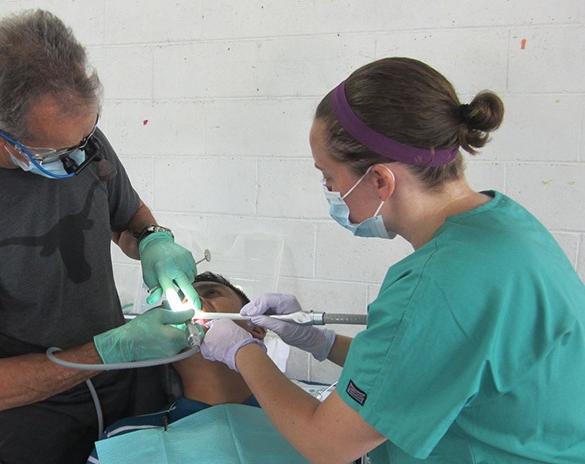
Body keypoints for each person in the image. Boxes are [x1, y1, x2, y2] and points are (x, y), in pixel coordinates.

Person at [201, 57, 585, 463]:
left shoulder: (436, 285)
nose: (328, 190)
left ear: (381, 180)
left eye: (328, 177)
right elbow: (422, 366)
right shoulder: (505, 225)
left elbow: (325, 444)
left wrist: (243, 352)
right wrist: (321, 342)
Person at [0, 10, 202, 464]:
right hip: (30, 434)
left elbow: (125, 219)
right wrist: (110, 349)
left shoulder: (77, 135)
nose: (80, 157)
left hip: (125, 416)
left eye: (86, 135)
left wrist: (153, 240)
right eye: (56, 152)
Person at [87, 271, 266, 463]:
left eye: (212, 293)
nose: (191, 302)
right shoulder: (123, 440)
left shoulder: (302, 395)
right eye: (179, 299)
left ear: (256, 327)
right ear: (162, 346)